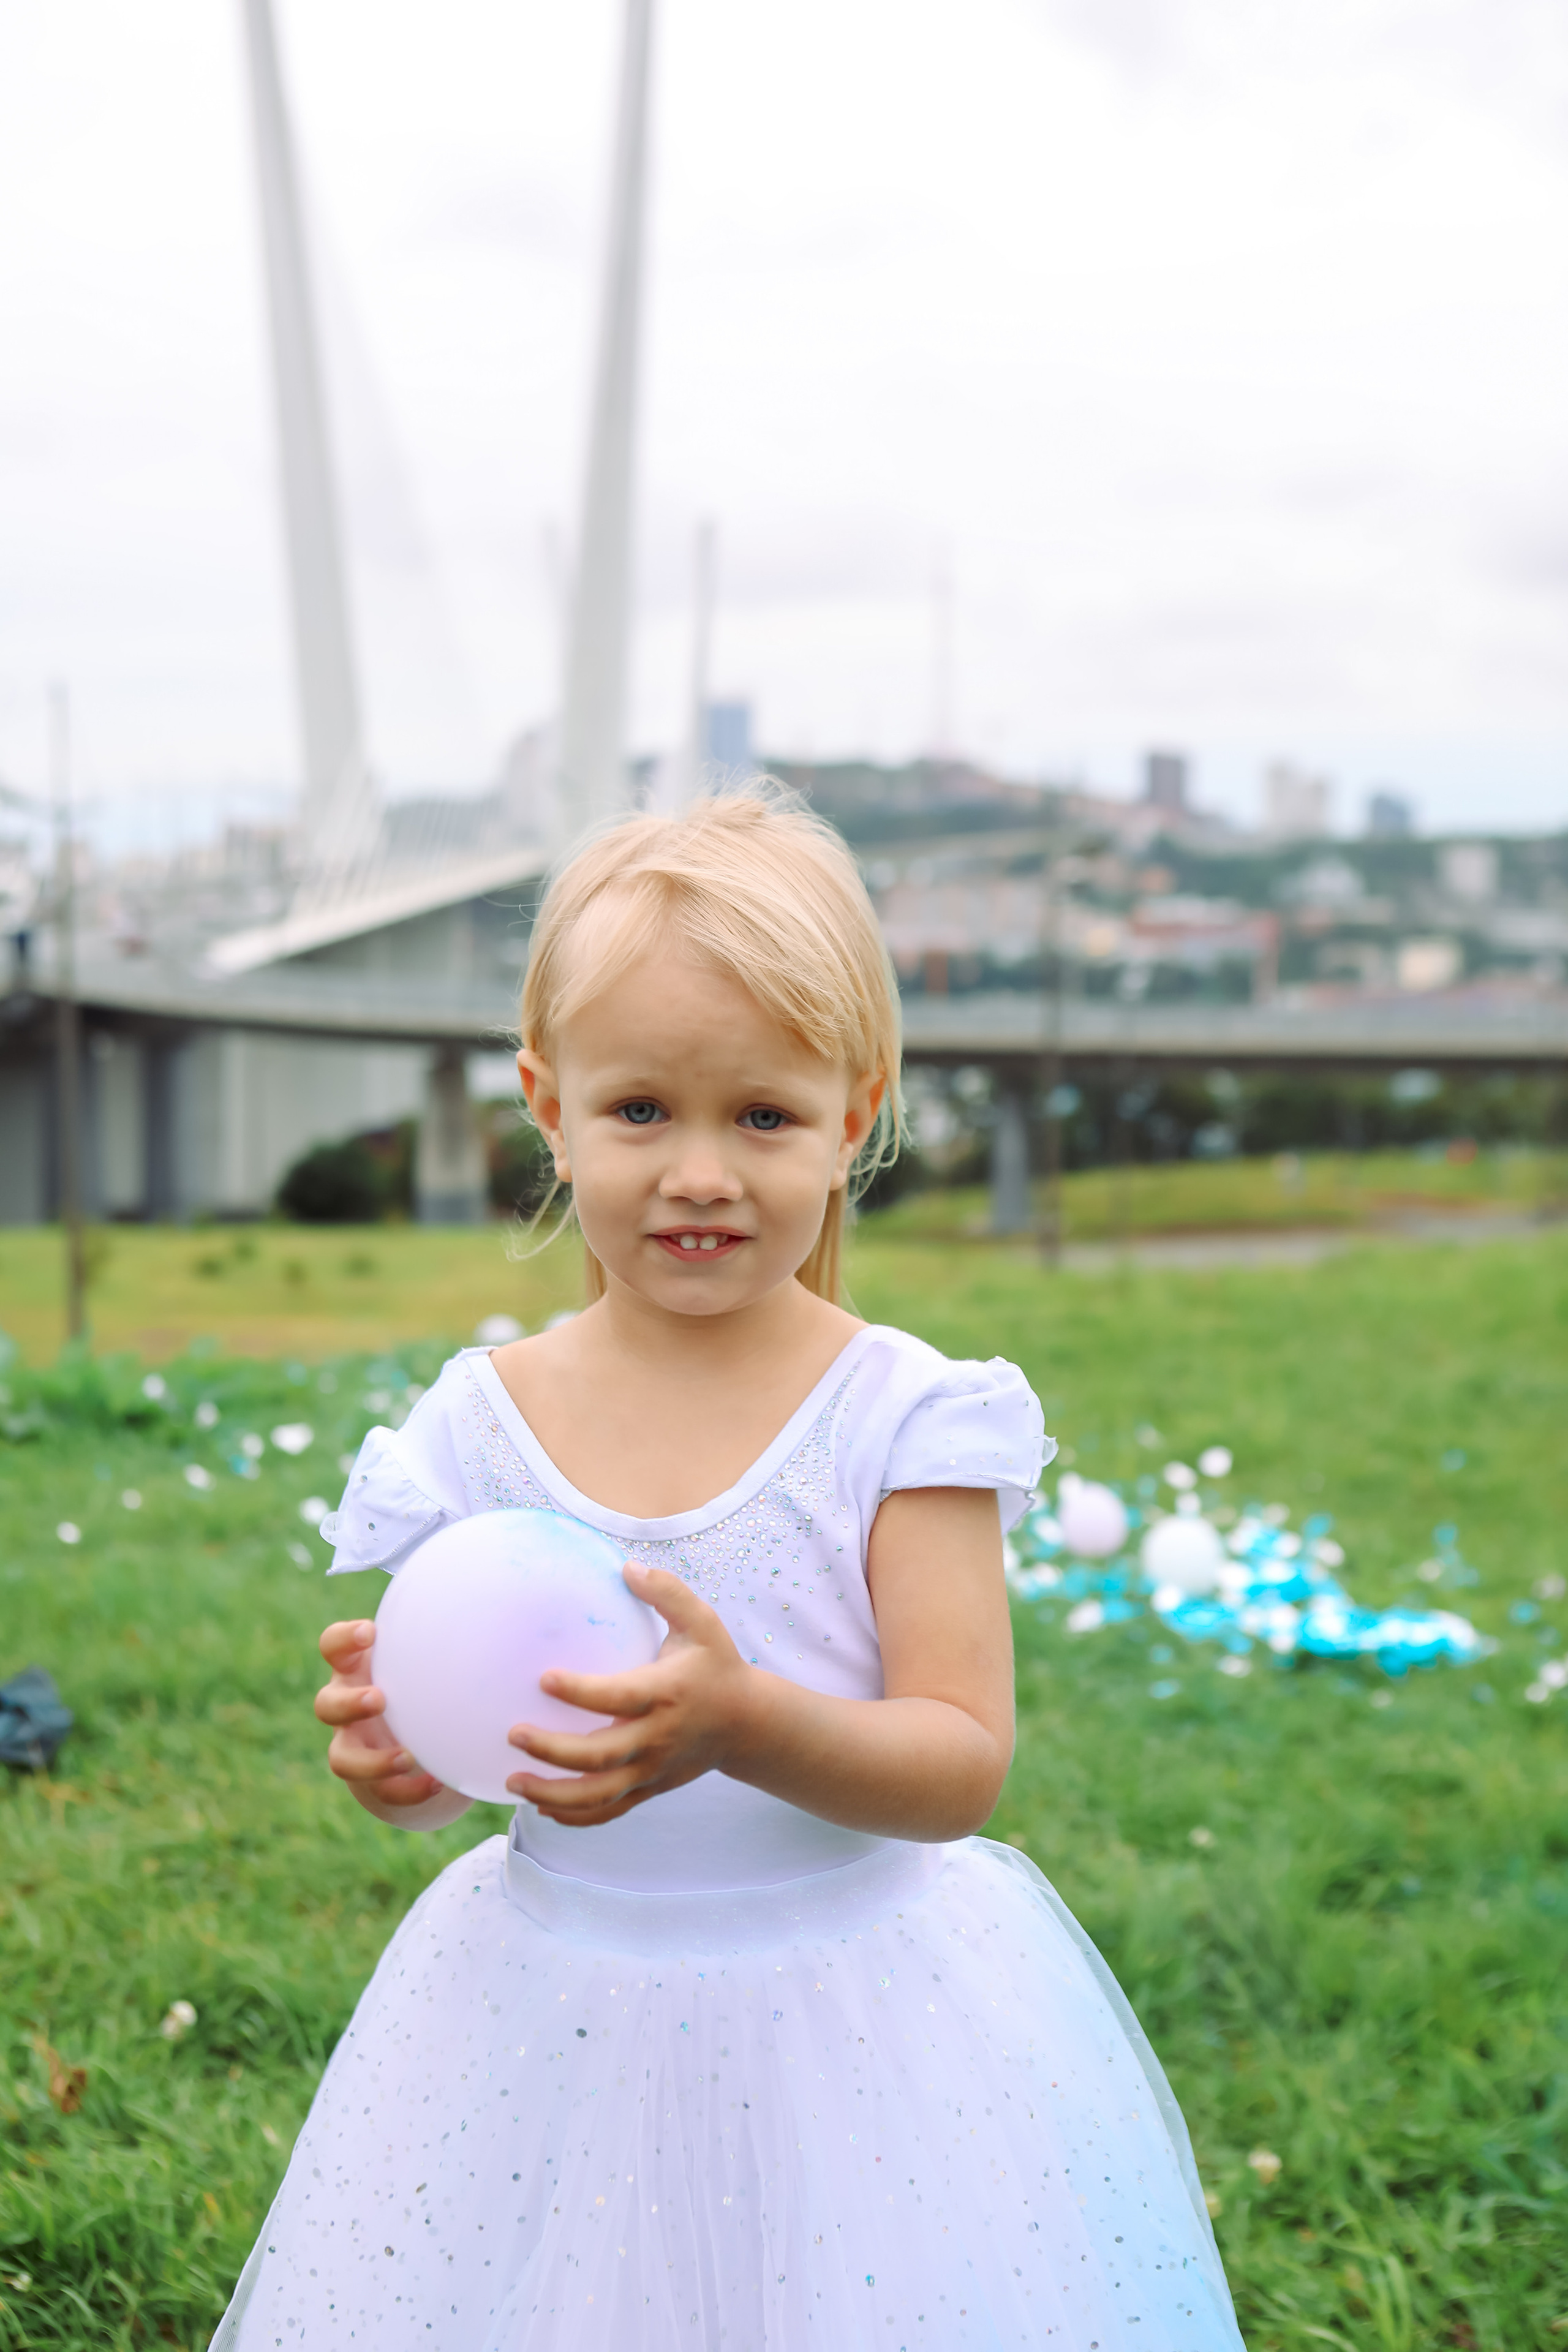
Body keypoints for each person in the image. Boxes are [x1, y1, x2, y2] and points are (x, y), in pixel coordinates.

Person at [213, 788, 1245, 2350]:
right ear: (546, 1110)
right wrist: (404, 1758)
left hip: (861, 2019)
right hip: (550, 2011)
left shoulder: (901, 1417)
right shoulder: (474, 1425)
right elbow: (471, 1762)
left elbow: (960, 1763)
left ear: (853, 1113)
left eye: (760, 1116)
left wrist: (740, 1720)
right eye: (640, 1112)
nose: (699, 1171)